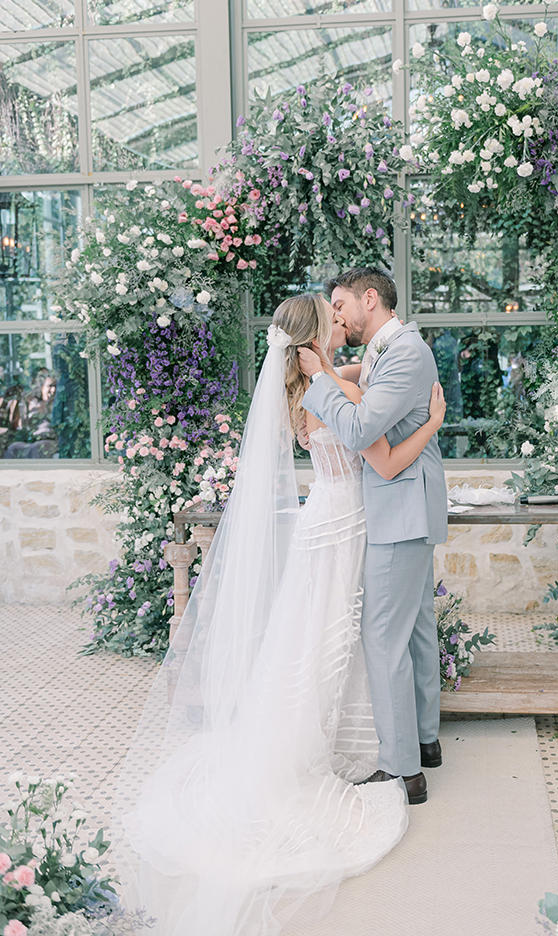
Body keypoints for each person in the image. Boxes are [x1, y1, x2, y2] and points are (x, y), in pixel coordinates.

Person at [114, 292, 445, 936]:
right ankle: (382, 752)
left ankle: (383, 741)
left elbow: (354, 382)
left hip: (335, 516)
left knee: (334, 634)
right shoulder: (324, 389)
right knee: (359, 634)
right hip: (349, 518)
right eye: (332, 315)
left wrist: (343, 373)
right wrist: (431, 422)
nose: (340, 319)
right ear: (314, 337)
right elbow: (372, 447)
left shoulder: (308, 384)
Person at [300, 267, 448, 806]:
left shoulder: (404, 352)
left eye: (340, 303)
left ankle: (402, 770)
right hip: (408, 504)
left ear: (370, 298)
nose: (336, 313)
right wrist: (333, 369)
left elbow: (362, 431)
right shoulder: (391, 348)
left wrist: (319, 380)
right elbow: (365, 383)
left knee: (383, 636)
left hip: (399, 507)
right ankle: (425, 740)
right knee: (415, 630)